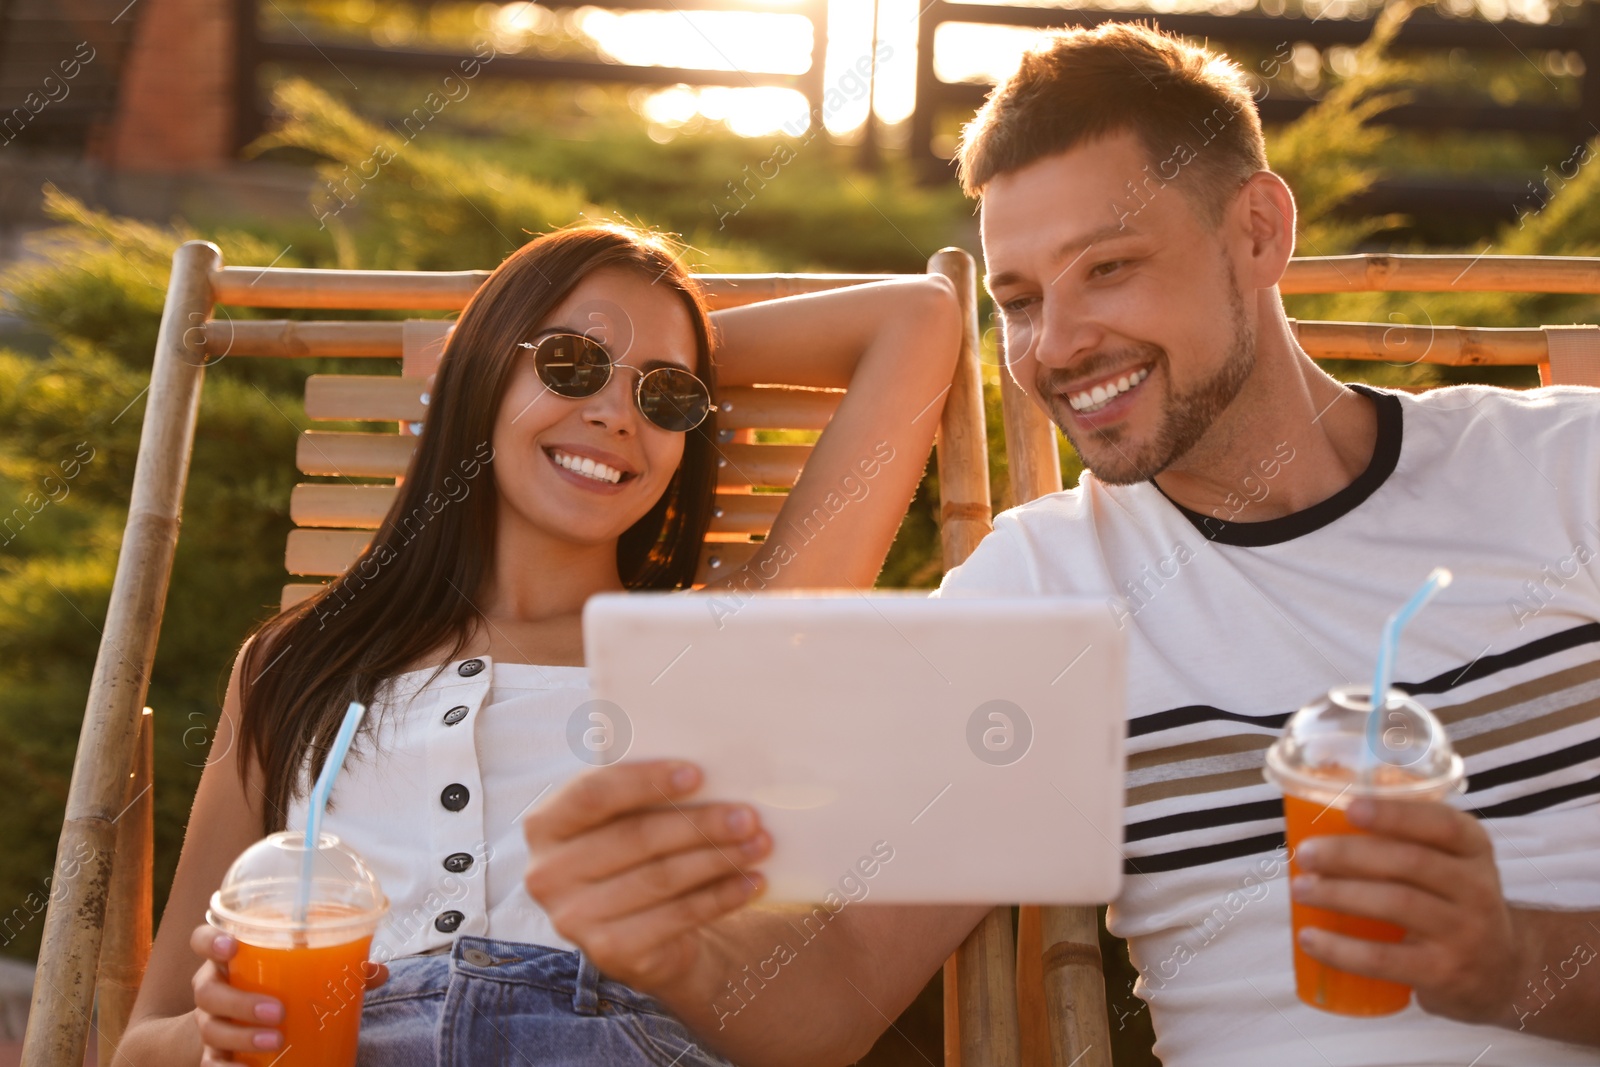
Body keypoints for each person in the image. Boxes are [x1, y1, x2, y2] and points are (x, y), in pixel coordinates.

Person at [521, 23, 1600, 1067]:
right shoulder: (1037, 589)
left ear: (1259, 232)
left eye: (1110, 267)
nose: (1058, 345)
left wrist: (1514, 960)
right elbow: (838, 991)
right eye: (1021, 300)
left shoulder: (1563, 470)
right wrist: (673, 946)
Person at [117, 223, 963, 1065]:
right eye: (570, 365)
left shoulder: (722, 643)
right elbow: (141, 1044)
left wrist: (651, 352)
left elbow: (919, 321)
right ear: (484, 369)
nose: (614, 415)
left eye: (664, 396)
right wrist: (218, 1026)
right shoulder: (296, 663)